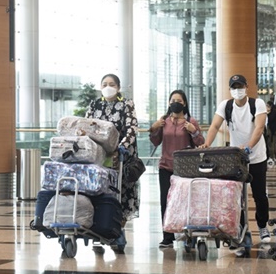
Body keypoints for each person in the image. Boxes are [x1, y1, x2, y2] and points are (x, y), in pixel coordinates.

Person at [201, 74, 270, 254]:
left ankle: (262, 227)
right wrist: (207, 144)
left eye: (240, 86)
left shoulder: (257, 104)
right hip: (236, 158)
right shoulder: (226, 105)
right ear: (230, 89)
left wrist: (248, 146)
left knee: (259, 195)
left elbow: (259, 128)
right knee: (235, 197)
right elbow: (215, 126)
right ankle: (239, 231)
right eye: (234, 87)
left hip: (256, 156)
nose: (237, 90)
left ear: (247, 87)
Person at [86, 73, 139, 253]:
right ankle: (98, 228)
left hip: (121, 156)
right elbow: (86, 126)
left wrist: (122, 147)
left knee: (121, 193)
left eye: (111, 84)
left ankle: (118, 229)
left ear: (118, 87)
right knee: (98, 189)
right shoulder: (95, 104)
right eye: (104, 84)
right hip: (99, 157)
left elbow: (132, 128)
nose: (108, 87)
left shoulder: (126, 104)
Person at [148, 90, 204, 248]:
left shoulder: (190, 121)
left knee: (186, 202)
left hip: (185, 169)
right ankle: (167, 235)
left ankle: (189, 234)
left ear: (184, 103)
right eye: (172, 100)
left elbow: (200, 143)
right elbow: (155, 141)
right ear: (168, 103)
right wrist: (155, 127)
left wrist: (194, 131)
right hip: (165, 166)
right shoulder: (164, 121)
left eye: (179, 100)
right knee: (165, 202)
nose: (175, 103)